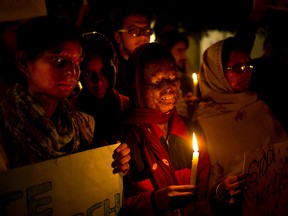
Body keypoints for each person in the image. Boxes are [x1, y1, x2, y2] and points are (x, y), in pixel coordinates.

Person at [0, 16, 130, 174]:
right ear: (23, 61)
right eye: (57, 59)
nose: (71, 71)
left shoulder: (84, 126)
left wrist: (114, 164)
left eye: (77, 61)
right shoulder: (6, 129)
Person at [192, 33, 288, 215]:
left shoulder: (258, 105)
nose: (246, 72)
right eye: (237, 68)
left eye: (248, 65)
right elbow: (200, 185)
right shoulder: (204, 121)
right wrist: (223, 189)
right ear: (217, 73)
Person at [115, 42, 212, 216]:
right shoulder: (120, 140)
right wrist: (153, 201)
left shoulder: (190, 130)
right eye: (157, 82)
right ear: (137, 86)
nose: (168, 88)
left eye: (173, 79)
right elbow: (113, 205)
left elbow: (203, 192)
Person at [74, 31, 129, 146]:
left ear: (116, 65)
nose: (98, 81)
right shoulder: (72, 116)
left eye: (105, 70)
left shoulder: (130, 108)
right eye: (89, 73)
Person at [111, 3, 154, 96]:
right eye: (134, 30)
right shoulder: (111, 73)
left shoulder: (156, 66)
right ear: (118, 37)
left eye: (146, 30)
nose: (143, 35)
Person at [157, 30, 197, 118]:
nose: (184, 57)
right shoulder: (157, 82)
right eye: (179, 51)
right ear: (166, 52)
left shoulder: (185, 80)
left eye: (184, 51)